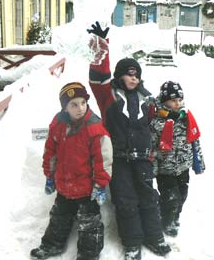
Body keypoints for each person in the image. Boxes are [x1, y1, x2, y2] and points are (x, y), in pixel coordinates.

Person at [87, 22, 171, 260]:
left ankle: (154, 237)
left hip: (143, 158)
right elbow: (97, 76)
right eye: (129, 74)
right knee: (125, 200)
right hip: (120, 158)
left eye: (137, 75)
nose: (134, 79)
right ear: (119, 75)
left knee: (149, 198)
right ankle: (132, 243)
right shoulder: (108, 95)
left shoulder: (147, 100)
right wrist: (100, 45)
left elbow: (157, 123)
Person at [30, 82, 113, 260]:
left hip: (87, 189)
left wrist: (100, 184)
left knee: (89, 224)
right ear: (65, 107)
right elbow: (50, 152)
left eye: (83, 102)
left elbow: (103, 159)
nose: (80, 108)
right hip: (64, 185)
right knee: (59, 217)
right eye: (73, 104)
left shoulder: (94, 128)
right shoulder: (58, 124)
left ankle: (89, 254)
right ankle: (52, 245)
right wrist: (50, 176)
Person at [150, 81, 205, 237]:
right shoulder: (157, 121)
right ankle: (167, 221)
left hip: (183, 166)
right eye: (173, 100)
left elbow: (195, 140)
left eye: (179, 100)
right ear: (164, 100)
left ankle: (174, 216)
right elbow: (152, 146)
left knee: (182, 194)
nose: (177, 103)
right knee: (170, 197)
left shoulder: (186, 118)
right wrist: (152, 168)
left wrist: (198, 161)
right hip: (165, 169)